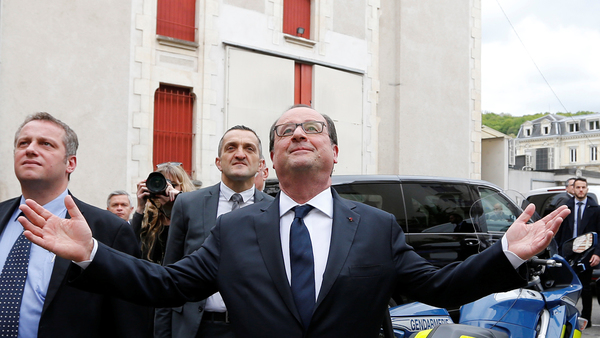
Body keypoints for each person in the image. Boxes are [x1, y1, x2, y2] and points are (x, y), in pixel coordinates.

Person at [19, 105, 571, 338]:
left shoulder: (374, 228)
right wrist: (92, 254)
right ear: (272, 161)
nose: (299, 135)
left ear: (334, 151)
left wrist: (508, 256)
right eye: (286, 131)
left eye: (312, 129)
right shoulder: (234, 230)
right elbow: (167, 284)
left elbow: (436, 285)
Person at [0, 112, 151, 337]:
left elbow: (129, 321)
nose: (30, 149)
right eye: (23, 143)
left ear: (70, 163)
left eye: (45, 144)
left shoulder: (109, 230)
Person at [154, 125, 274, 338]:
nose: (239, 154)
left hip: (254, 328)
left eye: (249, 148)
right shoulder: (187, 204)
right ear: (218, 162)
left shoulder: (276, 210)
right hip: (198, 329)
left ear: (261, 164)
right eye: (231, 148)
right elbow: (170, 275)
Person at [554, 177, 600, 326]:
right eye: (578, 187)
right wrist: (558, 253)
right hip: (567, 253)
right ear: (573, 189)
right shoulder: (566, 207)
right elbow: (559, 232)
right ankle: (566, 319)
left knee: (586, 288)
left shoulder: (595, 209)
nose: (581, 190)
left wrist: (597, 253)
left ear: (587, 189)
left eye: (583, 187)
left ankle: (586, 319)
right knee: (566, 287)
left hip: (587, 253)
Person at [133, 163, 194, 263]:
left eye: (173, 185)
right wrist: (140, 208)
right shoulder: (149, 217)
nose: (167, 188)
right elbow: (130, 244)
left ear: (182, 188)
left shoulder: (190, 215)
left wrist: (178, 201)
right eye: (161, 184)